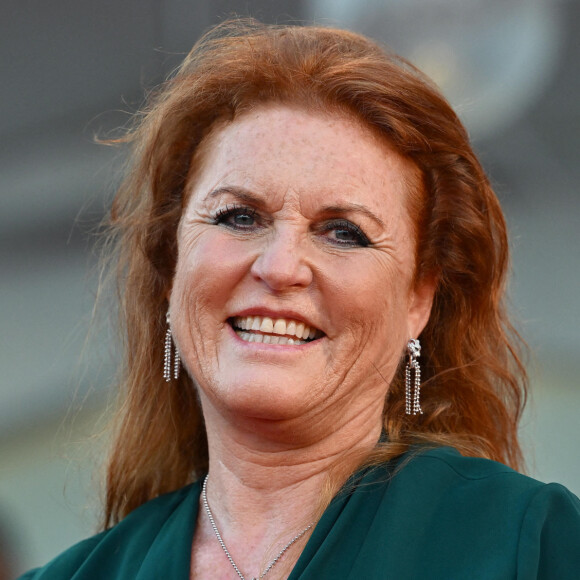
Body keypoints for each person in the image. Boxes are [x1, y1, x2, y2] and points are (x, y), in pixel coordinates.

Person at [19, 18, 580, 580]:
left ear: (419, 300)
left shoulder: (532, 544)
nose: (280, 267)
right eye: (239, 217)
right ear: (171, 269)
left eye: (343, 232)